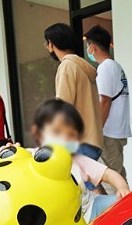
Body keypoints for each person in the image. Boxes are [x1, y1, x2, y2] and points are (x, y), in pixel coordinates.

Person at [29, 99, 128, 217]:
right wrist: (9, 150)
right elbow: (15, 161)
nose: (62, 140)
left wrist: (122, 188)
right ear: (39, 133)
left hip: (89, 209)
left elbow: (108, 174)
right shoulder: (32, 157)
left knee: (123, 204)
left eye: (70, 135)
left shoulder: (78, 160)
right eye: (56, 132)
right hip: (56, 219)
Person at [44, 23, 103, 160]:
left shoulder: (67, 66)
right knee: (91, 179)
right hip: (93, 138)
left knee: (83, 180)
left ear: (51, 43)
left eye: (47, 43)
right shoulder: (82, 66)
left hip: (78, 140)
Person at [84, 25, 130, 181]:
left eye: (87, 45)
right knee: (117, 176)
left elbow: (104, 102)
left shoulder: (105, 68)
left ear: (93, 47)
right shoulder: (116, 66)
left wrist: (96, 130)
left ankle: (122, 206)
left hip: (109, 132)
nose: (87, 49)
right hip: (116, 131)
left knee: (113, 181)